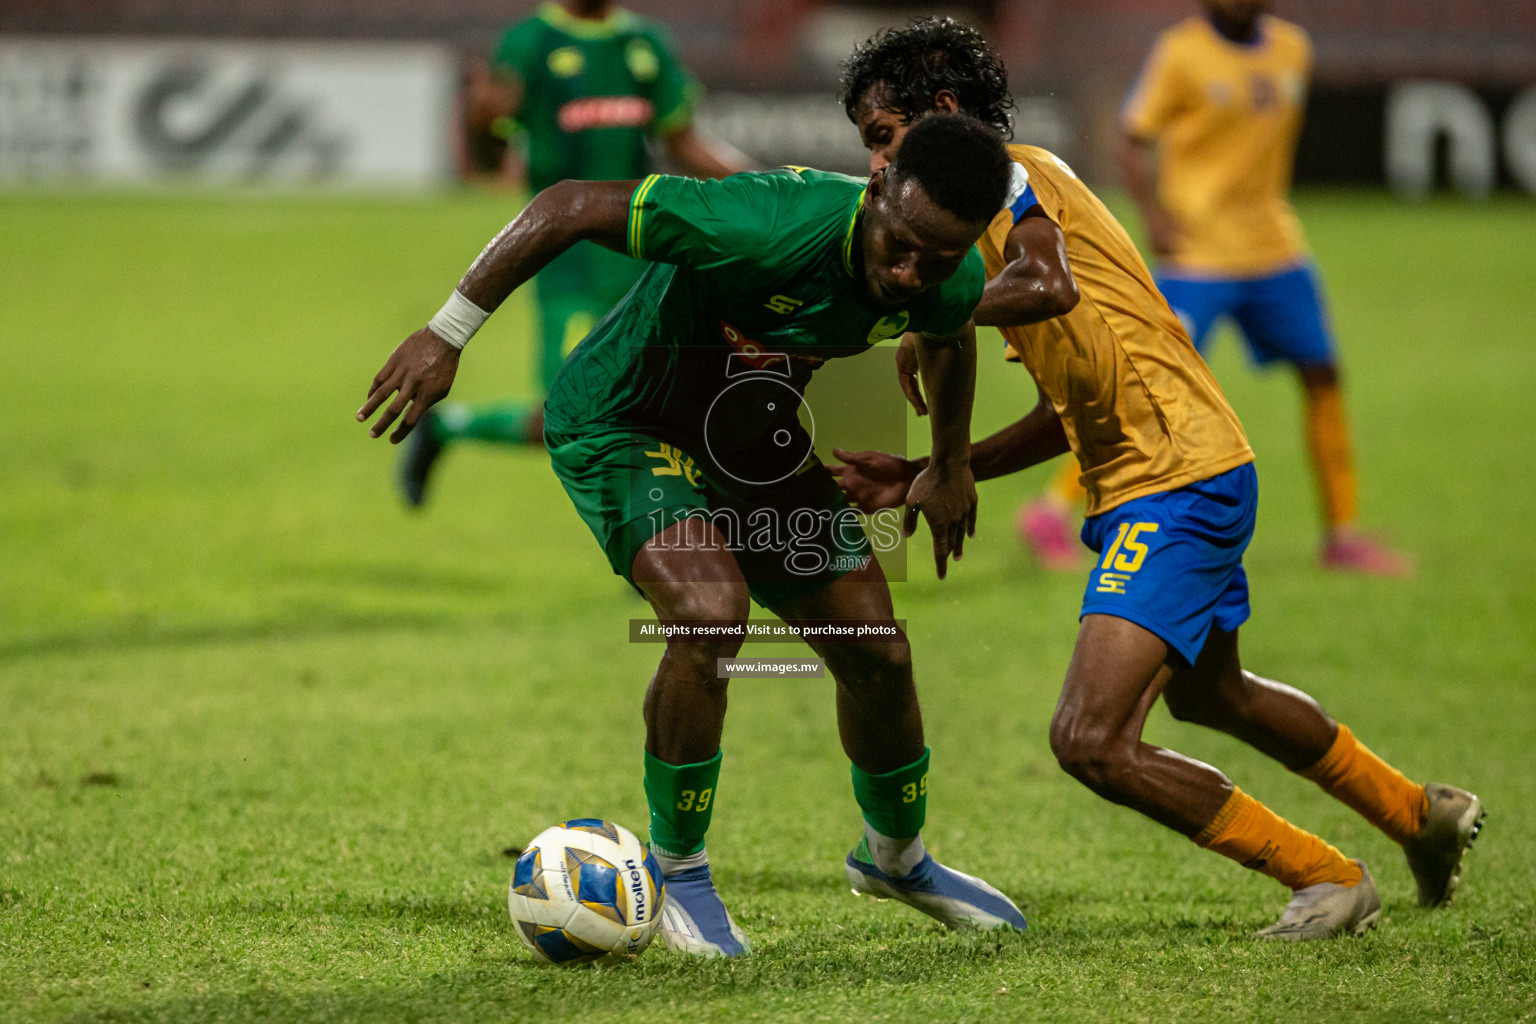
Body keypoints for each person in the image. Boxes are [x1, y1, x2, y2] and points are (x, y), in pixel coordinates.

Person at [833, 18, 1483, 939]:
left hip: (1176, 480)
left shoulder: (1014, 176)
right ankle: (1419, 813)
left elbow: (1049, 287)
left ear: (941, 114)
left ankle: (1328, 877)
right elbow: (1073, 406)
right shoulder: (996, 222)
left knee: (1090, 741)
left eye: (882, 138)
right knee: (1215, 694)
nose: (874, 166)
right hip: (1174, 468)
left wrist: (937, 310)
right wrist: (930, 470)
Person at [358, 112, 1029, 956]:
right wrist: (447, 332)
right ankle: (678, 871)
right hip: (626, 421)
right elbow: (568, 205)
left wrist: (952, 463)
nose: (909, 273)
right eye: (900, 245)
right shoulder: (760, 222)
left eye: (936, 259)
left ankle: (898, 859)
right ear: (877, 186)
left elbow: (949, 335)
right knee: (711, 615)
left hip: (752, 443)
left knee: (879, 650)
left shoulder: (946, 272)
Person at [1097, 0, 1410, 574]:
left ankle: (1341, 534)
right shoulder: (1181, 53)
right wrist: (1155, 215)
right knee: (1147, 387)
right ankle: (1053, 510)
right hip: (1200, 253)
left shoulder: (1294, 48)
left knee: (1323, 374)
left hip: (1275, 249)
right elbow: (1131, 137)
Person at [398, 0, 753, 506]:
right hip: (565, 266)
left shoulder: (645, 43)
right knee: (564, 417)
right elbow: (489, 160)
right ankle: (447, 428)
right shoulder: (529, 44)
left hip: (642, 267)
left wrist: (767, 189)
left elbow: (683, 142)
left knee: (661, 408)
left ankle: (662, 547)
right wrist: (479, 124)